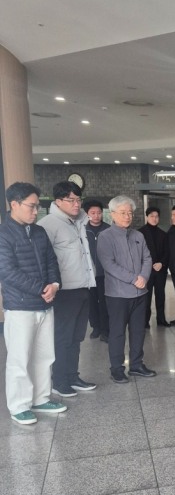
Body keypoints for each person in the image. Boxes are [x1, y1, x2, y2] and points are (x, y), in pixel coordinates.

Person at [0, 182, 66, 425]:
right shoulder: (3, 234)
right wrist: (41, 288)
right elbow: (7, 272)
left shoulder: (38, 232)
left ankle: (40, 398)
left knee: (44, 355)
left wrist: (54, 285)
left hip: (44, 305)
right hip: (20, 308)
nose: (35, 210)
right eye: (31, 206)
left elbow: (52, 261)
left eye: (38, 206)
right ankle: (19, 406)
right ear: (14, 204)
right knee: (20, 359)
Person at [40, 181, 97, 397]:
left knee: (77, 337)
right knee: (63, 337)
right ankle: (59, 380)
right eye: (70, 200)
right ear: (57, 201)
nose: (76, 204)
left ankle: (73, 376)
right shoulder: (49, 224)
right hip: (63, 291)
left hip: (83, 287)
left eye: (78, 199)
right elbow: (45, 260)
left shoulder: (79, 222)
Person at [97, 196, 156, 383]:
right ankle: (117, 368)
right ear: (112, 214)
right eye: (123, 213)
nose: (127, 216)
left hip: (140, 293)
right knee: (117, 332)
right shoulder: (106, 237)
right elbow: (109, 264)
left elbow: (147, 258)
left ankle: (137, 365)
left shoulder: (138, 235)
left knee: (138, 331)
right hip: (118, 295)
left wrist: (144, 277)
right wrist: (134, 279)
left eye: (130, 212)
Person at [82, 198, 110, 342]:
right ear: (87, 214)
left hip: (105, 274)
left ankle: (106, 330)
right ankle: (96, 327)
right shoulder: (82, 230)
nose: (96, 215)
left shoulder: (108, 229)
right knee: (91, 304)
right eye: (93, 213)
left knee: (105, 302)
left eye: (99, 212)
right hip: (88, 274)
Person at [139, 206, 170, 327]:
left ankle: (161, 320)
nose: (154, 218)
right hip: (146, 271)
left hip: (160, 270)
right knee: (146, 297)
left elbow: (167, 252)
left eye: (157, 216)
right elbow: (138, 253)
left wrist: (161, 263)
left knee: (160, 296)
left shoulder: (163, 234)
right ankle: (145, 321)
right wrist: (149, 264)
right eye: (152, 216)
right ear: (147, 217)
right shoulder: (140, 233)